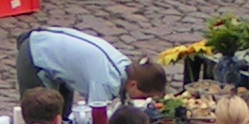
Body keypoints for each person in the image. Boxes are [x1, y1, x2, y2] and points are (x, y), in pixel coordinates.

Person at [15, 27, 166, 109]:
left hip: (56, 54)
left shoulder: (126, 67)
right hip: (35, 54)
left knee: (63, 114)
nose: (144, 101)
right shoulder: (105, 81)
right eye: (144, 97)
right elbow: (96, 123)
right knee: (42, 113)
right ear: (133, 84)